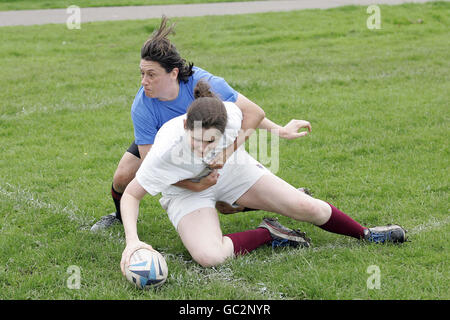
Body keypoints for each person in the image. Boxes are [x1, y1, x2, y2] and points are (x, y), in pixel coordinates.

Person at [119, 81, 407, 273]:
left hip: (230, 170)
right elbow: (131, 194)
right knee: (209, 257)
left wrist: (280, 130)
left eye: (210, 142)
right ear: (185, 124)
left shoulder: (229, 116)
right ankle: (269, 233)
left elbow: (253, 116)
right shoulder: (165, 148)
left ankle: (366, 233)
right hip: (184, 192)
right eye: (196, 140)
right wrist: (132, 241)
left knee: (306, 207)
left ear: (224, 129)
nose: (202, 148)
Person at [91, 16, 312, 232]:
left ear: (173, 73)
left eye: (151, 74)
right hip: (165, 141)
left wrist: (275, 132)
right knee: (122, 177)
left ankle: (291, 199)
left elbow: (252, 112)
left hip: (206, 140)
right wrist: (192, 185)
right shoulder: (142, 106)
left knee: (225, 205)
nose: (143, 81)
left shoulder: (202, 82)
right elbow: (152, 164)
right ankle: (120, 217)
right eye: (142, 73)